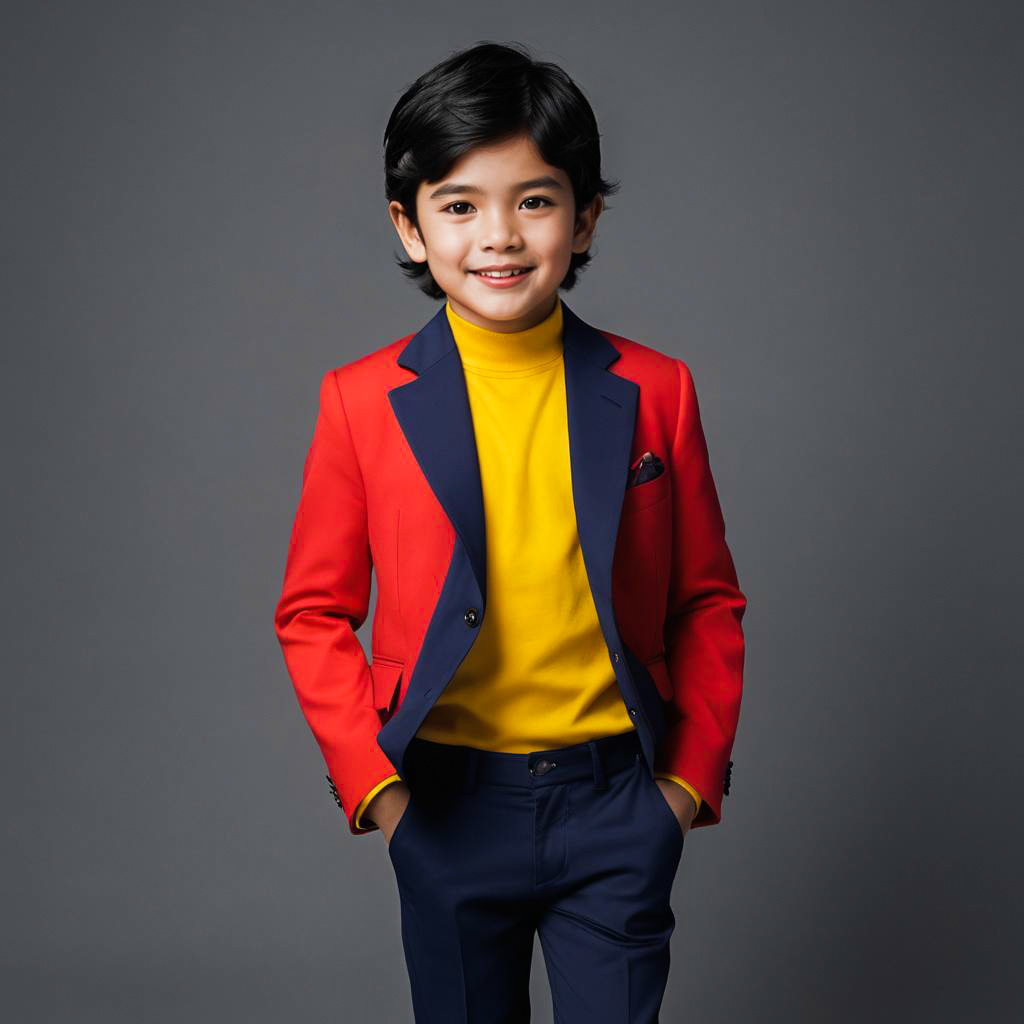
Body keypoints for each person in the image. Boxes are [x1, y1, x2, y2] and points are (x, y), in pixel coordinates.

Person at [274, 40, 747, 1023]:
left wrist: (684, 784)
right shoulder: (360, 401)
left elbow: (706, 597)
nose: (498, 235)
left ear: (584, 220)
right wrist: (379, 790)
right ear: (410, 229)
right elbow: (314, 611)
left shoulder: (655, 389)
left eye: (533, 200)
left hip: (617, 795)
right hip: (445, 805)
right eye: (459, 205)